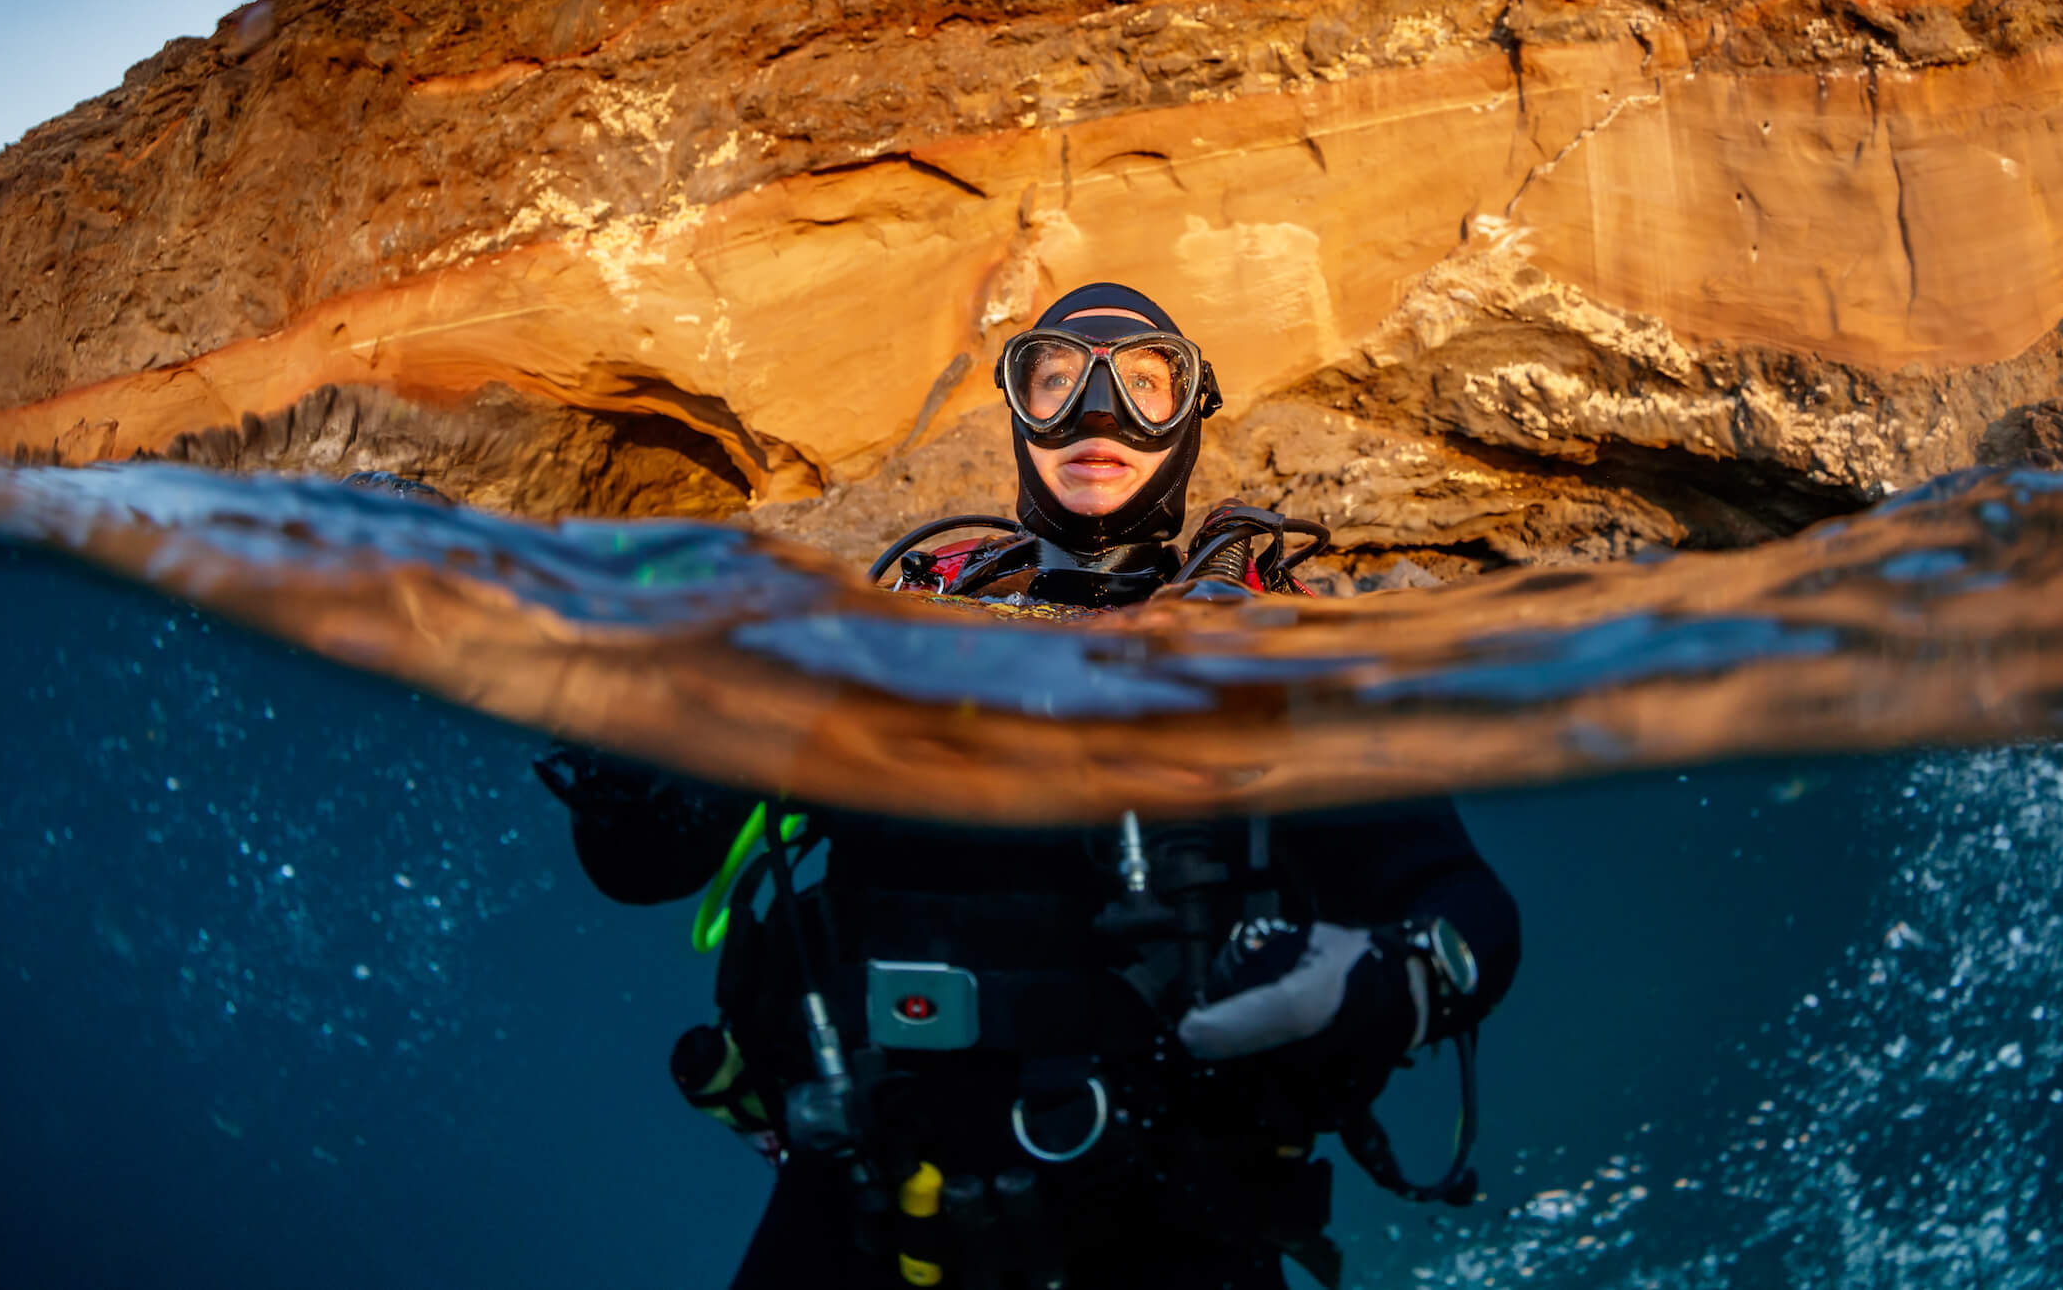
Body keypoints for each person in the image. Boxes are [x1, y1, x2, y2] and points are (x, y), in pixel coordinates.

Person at [538, 282, 1520, 1289]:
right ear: (1018, 411)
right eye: (1056, 378)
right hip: (872, 1198)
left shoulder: (1275, 662)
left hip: (1173, 1227)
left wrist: (1392, 974)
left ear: (1190, 414)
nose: (1098, 414)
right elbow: (642, 864)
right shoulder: (888, 638)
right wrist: (622, 730)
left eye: (1144, 382)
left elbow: (1471, 911)